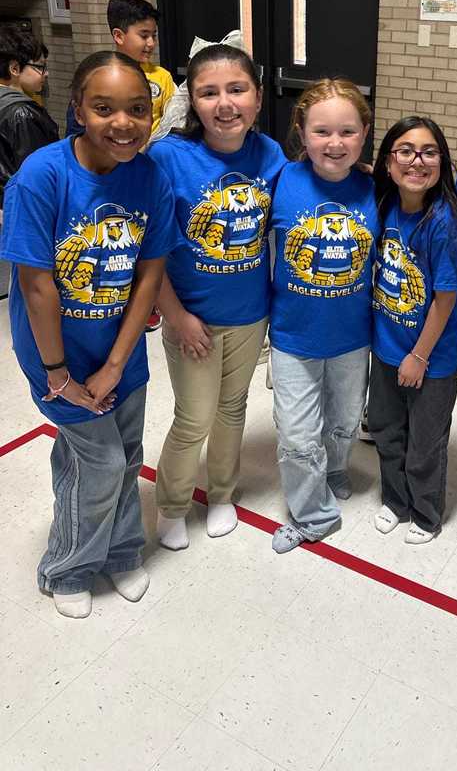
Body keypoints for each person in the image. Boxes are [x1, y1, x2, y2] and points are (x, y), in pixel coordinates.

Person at [0, 51, 177, 619]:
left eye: (137, 109)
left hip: (119, 351)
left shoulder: (151, 177)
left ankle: (121, 551)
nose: (123, 123)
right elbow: (37, 288)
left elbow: (148, 276)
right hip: (57, 356)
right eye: (104, 108)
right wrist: (59, 375)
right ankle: (67, 567)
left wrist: (117, 363)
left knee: (124, 457)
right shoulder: (42, 177)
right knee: (99, 464)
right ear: (78, 109)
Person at [149, 43, 285, 550]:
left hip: (250, 315)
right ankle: (171, 506)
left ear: (257, 97)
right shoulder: (168, 157)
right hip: (192, 319)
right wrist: (176, 316)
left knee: (232, 408)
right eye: (209, 93)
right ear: (193, 102)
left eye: (237, 89)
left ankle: (222, 492)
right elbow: (149, 252)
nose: (225, 104)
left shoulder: (270, 155)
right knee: (193, 418)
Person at [269, 78, 378, 553]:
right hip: (294, 336)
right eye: (322, 132)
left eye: (348, 132)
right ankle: (313, 516)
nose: (335, 143)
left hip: (353, 336)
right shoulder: (280, 181)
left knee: (344, 419)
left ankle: (334, 470)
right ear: (302, 132)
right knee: (297, 434)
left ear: (365, 133)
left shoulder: (376, 188)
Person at [367, 117, 457, 543]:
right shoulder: (384, 204)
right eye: (405, 151)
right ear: (389, 161)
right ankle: (396, 501)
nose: (417, 161)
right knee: (387, 430)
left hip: (429, 358)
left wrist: (419, 356)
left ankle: (426, 515)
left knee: (425, 442)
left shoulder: (444, 222)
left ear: (441, 162)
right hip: (386, 348)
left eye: (429, 152)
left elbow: (445, 300)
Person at [66, 0, 175, 140]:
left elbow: (174, 124)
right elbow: (77, 133)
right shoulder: (96, 77)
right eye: (144, 36)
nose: (151, 43)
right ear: (118, 36)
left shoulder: (162, 77)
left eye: (153, 36)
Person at [0, 26, 58, 211]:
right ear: (15, 68)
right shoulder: (22, 113)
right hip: (23, 207)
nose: (46, 74)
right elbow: (37, 175)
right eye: (40, 66)